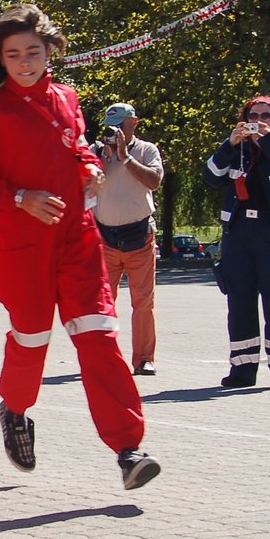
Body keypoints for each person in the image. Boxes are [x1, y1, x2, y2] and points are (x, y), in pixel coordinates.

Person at [0, 4, 161, 490]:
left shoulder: (67, 98)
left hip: (78, 239)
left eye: (33, 52)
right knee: (31, 340)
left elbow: (78, 147)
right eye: (14, 55)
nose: (25, 62)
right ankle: (16, 409)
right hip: (22, 246)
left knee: (99, 336)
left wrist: (88, 165)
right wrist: (20, 198)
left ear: (50, 52)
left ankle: (129, 449)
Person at [203, 95, 270, 389]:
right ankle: (242, 369)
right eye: (253, 115)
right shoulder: (236, 151)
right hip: (239, 237)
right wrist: (230, 144)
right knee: (239, 301)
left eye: (266, 115)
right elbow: (210, 176)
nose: (259, 120)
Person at [89, 102, 164, 376]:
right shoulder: (97, 151)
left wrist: (125, 156)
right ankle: (102, 354)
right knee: (101, 301)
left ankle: (144, 358)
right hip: (105, 237)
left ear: (134, 123)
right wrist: (103, 160)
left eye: (121, 126)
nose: (115, 132)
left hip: (139, 235)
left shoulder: (146, 150)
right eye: (111, 127)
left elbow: (154, 181)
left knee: (142, 301)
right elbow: (83, 183)